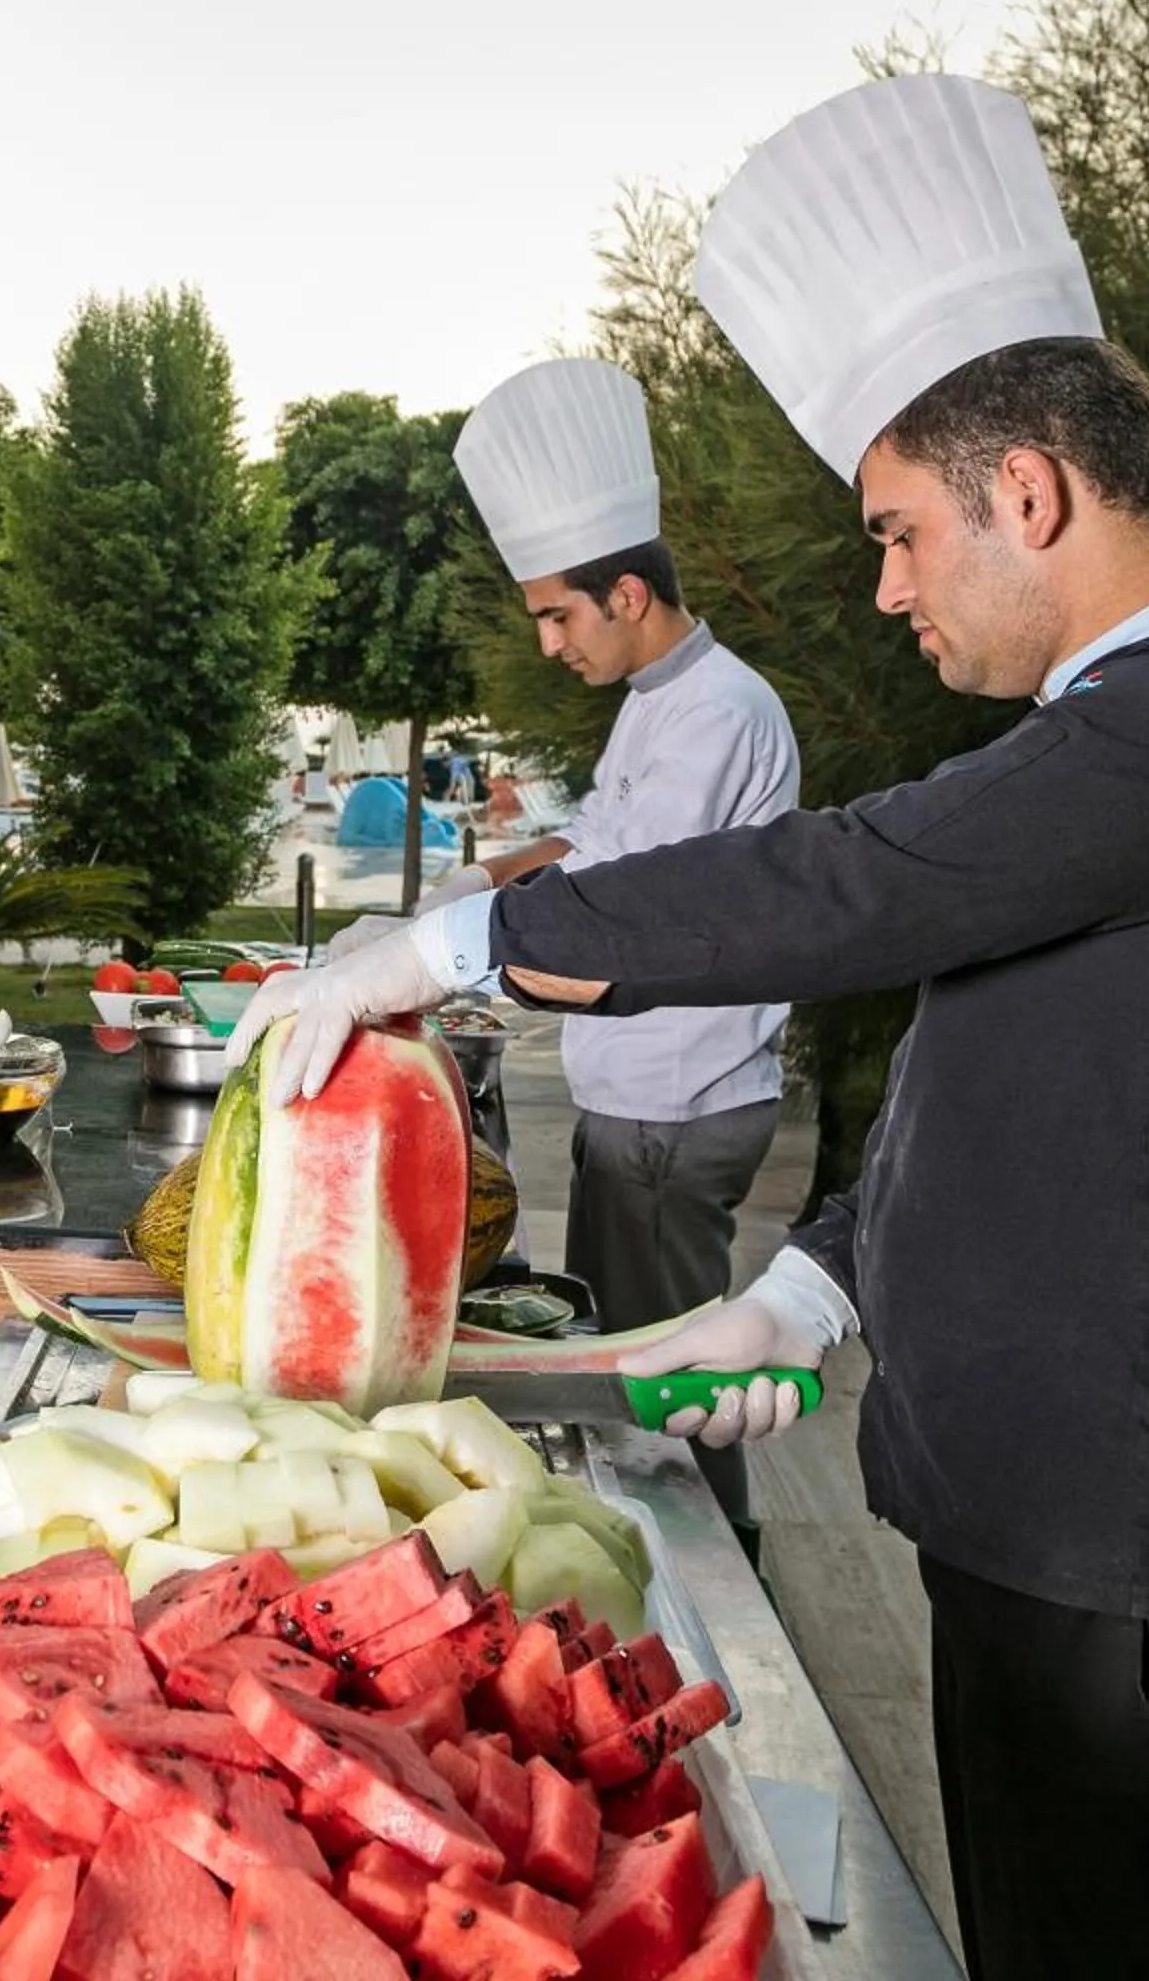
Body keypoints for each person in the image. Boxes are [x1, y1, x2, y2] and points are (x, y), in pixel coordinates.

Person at [230, 75, 1149, 1981]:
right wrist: (805, 1294)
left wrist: (453, 942)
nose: (883, 593)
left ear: (1026, 492)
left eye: (896, 534)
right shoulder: (1124, 758)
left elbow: (839, 884)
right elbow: (999, 1084)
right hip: (1058, 1540)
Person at [332, 361, 801, 1543]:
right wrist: (473, 878)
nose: (549, 642)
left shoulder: (721, 712)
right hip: (643, 1099)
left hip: (677, 1106)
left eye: (556, 613)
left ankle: (720, 1580)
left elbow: (622, 894)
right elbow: (589, 834)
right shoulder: (661, 696)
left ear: (628, 592)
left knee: (665, 1381)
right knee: (634, 1352)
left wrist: (438, 951)